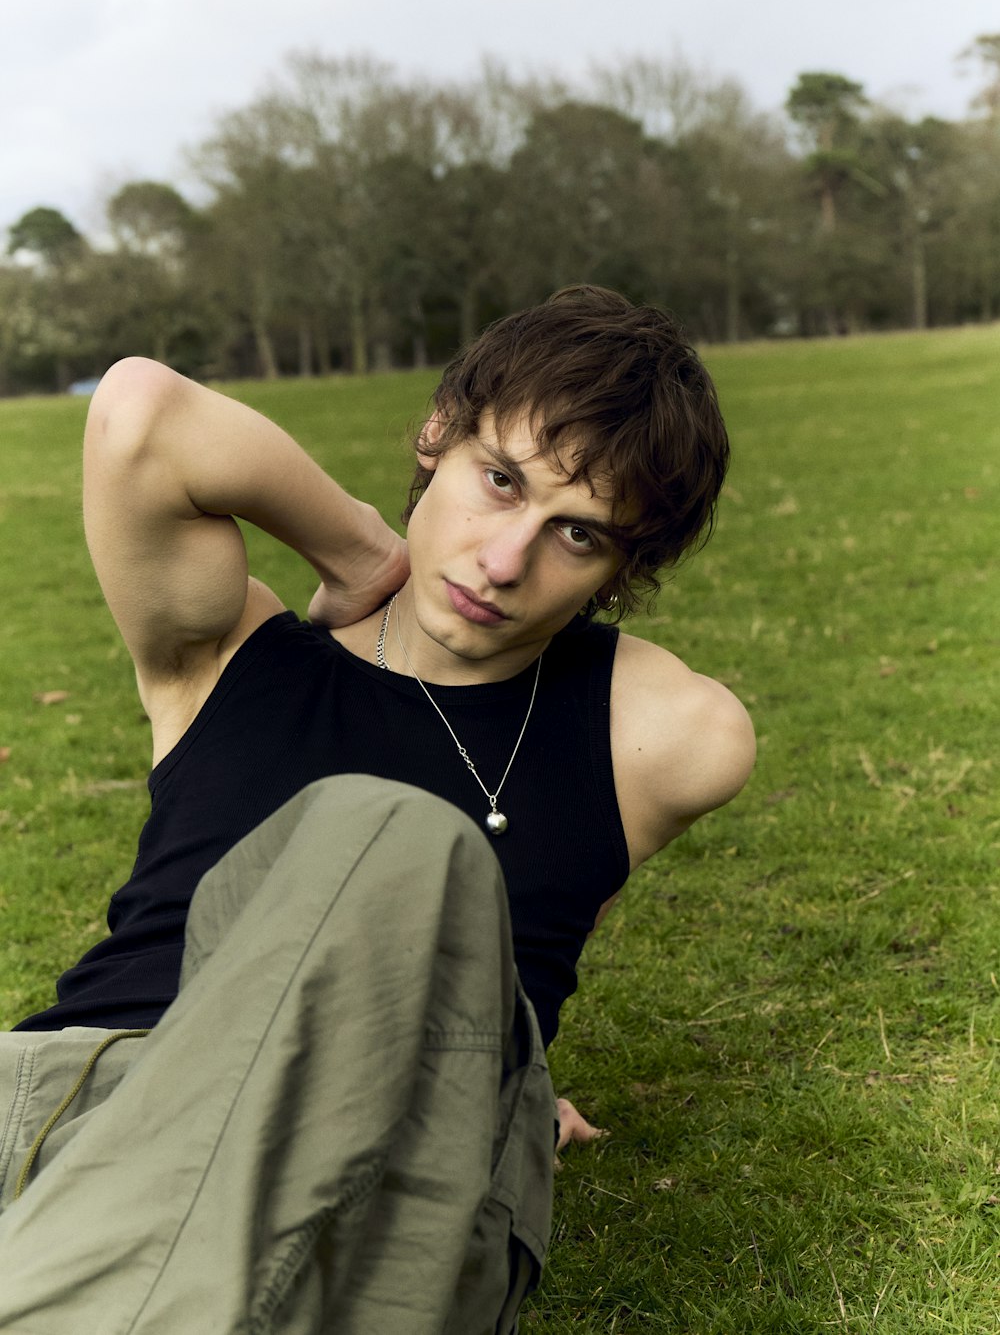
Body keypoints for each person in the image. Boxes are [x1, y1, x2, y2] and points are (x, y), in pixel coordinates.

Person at [0, 285, 755, 1332]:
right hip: (83, 1098)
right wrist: (359, 553)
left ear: (624, 570)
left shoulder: (657, 740)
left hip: (386, 1167)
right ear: (435, 433)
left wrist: (494, 1063)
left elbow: (528, 929)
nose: (504, 563)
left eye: (577, 536)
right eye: (499, 481)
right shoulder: (230, 656)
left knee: (401, 845)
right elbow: (138, 412)